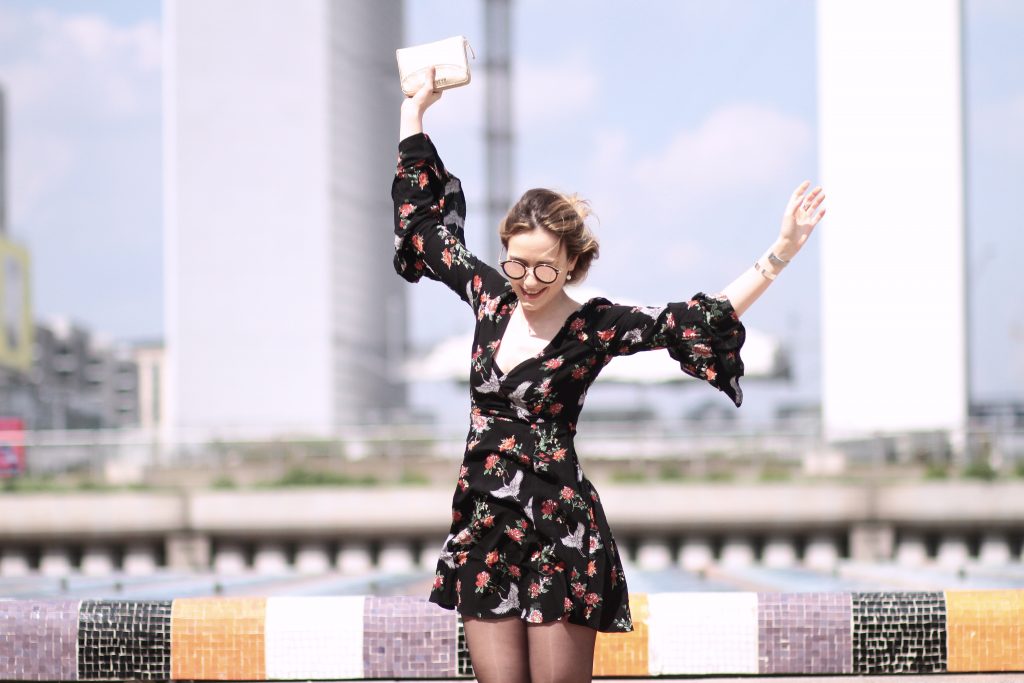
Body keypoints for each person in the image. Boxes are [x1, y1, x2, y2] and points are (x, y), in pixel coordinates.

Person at [392, 70, 825, 683]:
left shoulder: (594, 326)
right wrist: (415, 113)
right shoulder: (490, 296)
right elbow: (425, 229)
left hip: (560, 529)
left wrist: (780, 251)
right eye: (517, 262)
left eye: (545, 268)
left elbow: (695, 319)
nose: (528, 280)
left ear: (572, 261)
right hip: (485, 527)